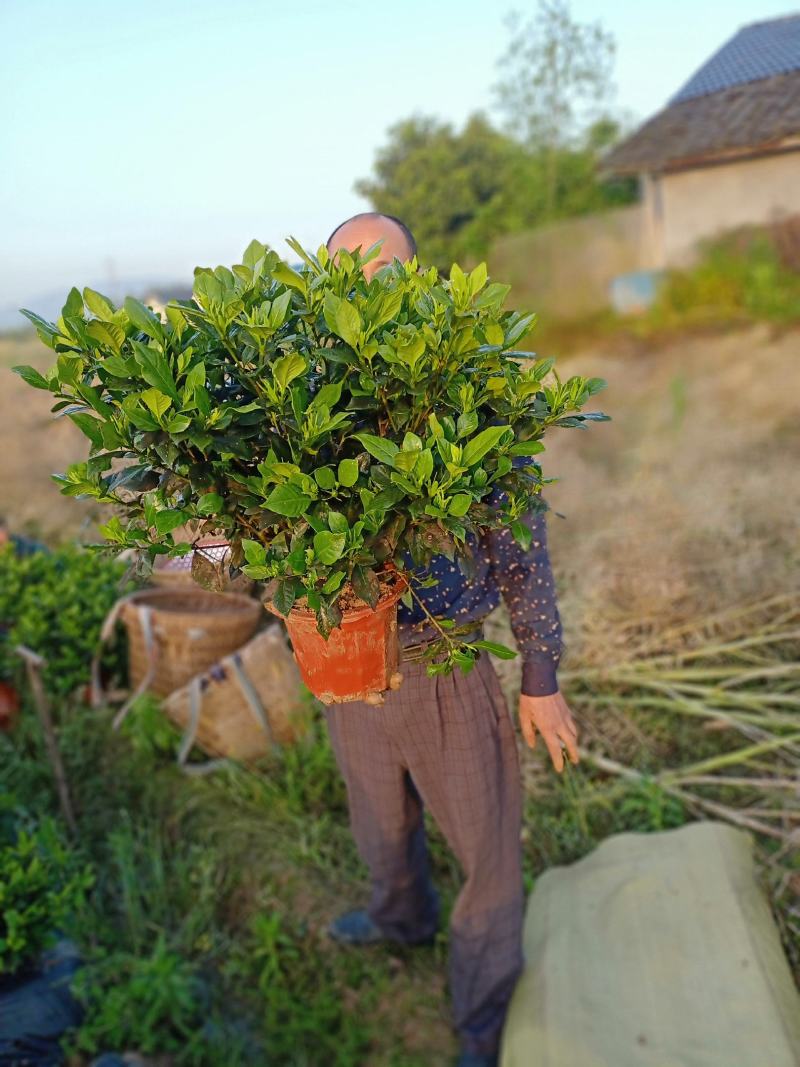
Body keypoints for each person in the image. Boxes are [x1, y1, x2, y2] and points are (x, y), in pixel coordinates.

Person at [320, 212, 580, 1067]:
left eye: (383, 269)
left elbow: (522, 545)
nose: (366, 291)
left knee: (486, 854)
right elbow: (227, 550)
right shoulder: (301, 394)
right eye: (346, 276)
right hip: (348, 659)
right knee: (377, 823)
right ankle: (399, 918)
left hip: (446, 663)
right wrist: (205, 533)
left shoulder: (470, 389)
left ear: (420, 278)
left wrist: (539, 672)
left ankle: (482, 1017)